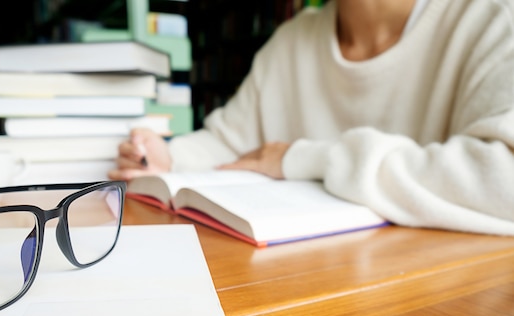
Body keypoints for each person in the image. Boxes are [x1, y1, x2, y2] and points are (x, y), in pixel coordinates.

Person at [109, 0, 514, 236]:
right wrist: (170, 157)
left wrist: (303, 159)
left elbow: (503, 181)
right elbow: (232, 141)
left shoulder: (494, 18)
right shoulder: (294, 38)